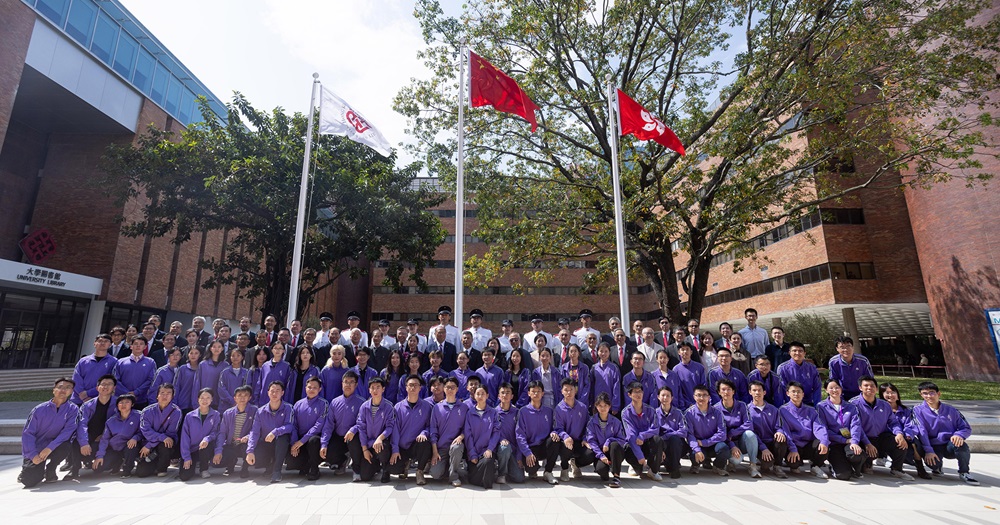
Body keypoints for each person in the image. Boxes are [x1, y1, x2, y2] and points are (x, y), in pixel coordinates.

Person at [912, 381, 979, 485]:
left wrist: (959, 435)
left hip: (949, 444)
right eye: (925, 393)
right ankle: (937, 467)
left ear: (939, 394)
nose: (929, 396)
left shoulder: (951, 410)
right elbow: (922, 431)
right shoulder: (917, 410)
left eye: (932, 392)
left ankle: (964, 472)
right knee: (933, 465)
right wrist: (929, 451)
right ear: (921, 395)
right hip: (932, 446)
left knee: (961, 445)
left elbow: (965, 427)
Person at [19, 378, 79, 487]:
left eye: (68, 388)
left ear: (72, 392)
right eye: (60, 387)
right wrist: (33, 455)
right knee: (29, 481)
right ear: (54, 390)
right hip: (36, 448)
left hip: (54, 446)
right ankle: (27, 469)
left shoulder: (73, 410)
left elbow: (67, 432)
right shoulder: (39, 409)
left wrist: (49, 448)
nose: (63, 390)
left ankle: (51, 469)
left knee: (66, 445)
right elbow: (28, 433)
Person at [850, 376, 912, 480]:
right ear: (860, 388)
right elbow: (856, 427)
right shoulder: (853, 404)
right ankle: (867, 464)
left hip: (880, 436)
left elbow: (893, 422)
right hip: (863, 438)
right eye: (866, 386)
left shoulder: (884, 405)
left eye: (872, 386)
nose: (869, 388)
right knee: (861, 456)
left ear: (876, 389)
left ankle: (897, 469)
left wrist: (899, 434)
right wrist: (867, 443)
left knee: (900, 443)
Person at [67, 374, 117, 480]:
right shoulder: (87, 405)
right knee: (76, 441)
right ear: (97, 388)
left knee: (99, 469)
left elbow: (118, 424)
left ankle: (114, 462)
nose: (105, 387)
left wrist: (103, 435)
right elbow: (82, 424)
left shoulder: (117, 404)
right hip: (89, 434)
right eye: (103, 384)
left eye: (109, 384)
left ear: (114, 388)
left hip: (108, 437)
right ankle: (75, 469)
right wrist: (84, 443)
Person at [879, 382, 932, 480]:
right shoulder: (881, 409)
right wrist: (898, 434)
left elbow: (911, 425)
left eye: (893, 392)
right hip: (888, 436)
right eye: (887, 393)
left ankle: (920, 467)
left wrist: (907, 435)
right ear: (882, 395)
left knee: (914, 444)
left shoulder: (906, 410)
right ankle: (899, 467)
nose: (890, 395)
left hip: (905, 436)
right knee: (900, 443)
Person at [816, 378, 866, 480]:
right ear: (826, 390)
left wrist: (854, 442)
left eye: (837, 387)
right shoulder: (821, 407)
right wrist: (843, 440)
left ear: (841, 389)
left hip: (850, 442)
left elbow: (856, 426)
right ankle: (836, 467)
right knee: (843, 475)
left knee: (857, 454)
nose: (834, 390)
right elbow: (823, 429)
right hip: (834, 443)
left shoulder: (850, 406)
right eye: (831, 388)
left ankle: (856, 469)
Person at [778, 381, 830, 478]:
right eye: (793, 391)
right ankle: (794, 464)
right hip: (793, 445)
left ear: (803, 394)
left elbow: (819, 427)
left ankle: (815, 466)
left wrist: (824, 441)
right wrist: (793, 449)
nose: (796, 394)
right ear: (787, 393)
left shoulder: (811, 410)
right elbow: (786, 431)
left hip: (808, 444)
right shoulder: (783, 410)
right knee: (794, 464)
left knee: (824, 444)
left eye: (798, 391)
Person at [348, 377, 395, 483]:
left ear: (383, 389)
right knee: (365, 477)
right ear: (369, 390)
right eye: (372, 388)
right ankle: (375, 465)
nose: (375, 390)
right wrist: (365, 449)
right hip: (369, 444)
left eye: (378, 387)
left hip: (382, 442)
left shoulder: (388, 406)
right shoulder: (364, 407)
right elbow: (361, 428)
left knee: (383, 448)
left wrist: (380, 438)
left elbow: (390, 427)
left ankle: (385, 469)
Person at [388, 375, 433, 485]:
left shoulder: (427, 406)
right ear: (406, 387)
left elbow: (430, 426)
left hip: (416, 444)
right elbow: (395, 430)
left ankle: (419, 471)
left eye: (416, 385)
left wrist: (424, 433)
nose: (413, 388)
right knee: (393, 469)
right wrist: (395, 450)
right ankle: (405, 465)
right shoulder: (398, 407)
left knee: (426, 443)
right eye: (410, 385)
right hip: (402, 446)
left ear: (420, 388)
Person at [246, 380, 294, 483]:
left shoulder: (288, 408)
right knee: (257, 452)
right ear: (268, 392)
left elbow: (289, 426)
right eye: (272, 391)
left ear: (282, 393)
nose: (274, 393)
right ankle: (269, 466)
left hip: (283, 443)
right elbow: (255, 432)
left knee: (282, 438)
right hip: (267, 443)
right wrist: (250, 451)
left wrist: (275, 432)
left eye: (277, 391)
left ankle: (277, 471)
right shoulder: (260, 411)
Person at [515, 380, 560, 485]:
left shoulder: (548, 411)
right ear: (529, 393)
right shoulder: (523, 411)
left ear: (543, 393)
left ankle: (548, 472)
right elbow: (520, 435)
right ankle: (533, 469)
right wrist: (527, 453)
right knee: (531, 470)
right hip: (530, 448)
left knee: (555, 440)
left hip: (544, 446)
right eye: (533, 391)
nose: (536, 394)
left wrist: (553, 432)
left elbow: (554, 427)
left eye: (538, 391)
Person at [320, 371, 365, 475]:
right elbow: (329, 424)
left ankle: (356, 468)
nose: (348, 385)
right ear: (342, 384)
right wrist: (324, 444)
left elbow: (363, 422)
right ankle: (342, 461)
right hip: (339, 437)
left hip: (355, 437)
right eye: (346, 382)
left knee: (354, 441)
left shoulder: (361, 403)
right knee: (328, 452)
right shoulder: (335, 402)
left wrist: (353, 430)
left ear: (356, 384)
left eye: (351, 382)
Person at [135, 383, 182, 478]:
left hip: (164, 443)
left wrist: (150, 445)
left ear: (172, 396)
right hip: (148, 442)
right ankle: (152, 464)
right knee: (141, 473)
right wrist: (151, 443)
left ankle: (162, 468)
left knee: (166, 442)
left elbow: (170, 433)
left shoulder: (176, 412)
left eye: (168, 393)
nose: (165, 396)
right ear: (157, 395)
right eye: (162, 393)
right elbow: (145, 430)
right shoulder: (147, 411)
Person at [714, 379, 759, 477]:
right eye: (723, 389)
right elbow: (720, 432)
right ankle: (730, 462)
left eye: (729, 389)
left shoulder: (742, 405)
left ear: (733, 391)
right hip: (727, 442)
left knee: (750, 434)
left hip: (742, 440)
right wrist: (732, 445)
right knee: (737, 460)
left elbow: (749, 424)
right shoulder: (716, 409)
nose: (726, 392)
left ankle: (753, 465)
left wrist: (733, 432)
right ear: (719, 392)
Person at [428, 377, 469, 486]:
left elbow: (468, 427)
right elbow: (433, 430)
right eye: (447, 387)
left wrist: (461, 436)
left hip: (456, 445)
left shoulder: (464, 407)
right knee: (435, 474)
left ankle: (453, 476)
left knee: (456, 447)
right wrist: (435, 452)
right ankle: (449, 466)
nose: (450, 390)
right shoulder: (437, 408)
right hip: (441, 447)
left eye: (453, 387)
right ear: (444, 389)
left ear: (457, 389)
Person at [554, 378, 595, 483]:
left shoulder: (582, 407)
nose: (569, 392)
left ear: (575, 390)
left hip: (580, 440)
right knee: (566, 447)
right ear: (562, 391)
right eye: (566, 390)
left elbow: (588, 426)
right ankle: (564, 468)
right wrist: (565, 436)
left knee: (590, 453)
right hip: (566, 441)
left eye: (571, 389)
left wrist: (586, 438)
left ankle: (576, 464)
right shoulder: (559, 409)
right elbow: (558, 428)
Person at [621, 381, 664, 481]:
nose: (638, 394)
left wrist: (642, 435)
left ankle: (653, 471)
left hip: (647, 443)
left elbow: (656, 429)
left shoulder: (650, 410)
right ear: (629, 395)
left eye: (640, 391)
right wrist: (640, 457)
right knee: (627, 447)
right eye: (635, 392)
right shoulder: (625, 412)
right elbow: (630, 435)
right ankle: (635, 465)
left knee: (657, 440)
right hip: (634, 444)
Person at [683, 384, 729, 476]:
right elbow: (690, 435)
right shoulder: (689, 413)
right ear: (694, 397)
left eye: (704, 395)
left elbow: (722, 434)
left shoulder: (717, 413)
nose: (701, 398)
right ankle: (695, 465)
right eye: (698, 395)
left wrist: (706, 442)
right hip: (699, 444)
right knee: (693, 452)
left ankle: (718, 466)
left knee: (724, 448)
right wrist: (697, 449)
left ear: (709, 397)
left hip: (713, 443)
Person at [288, 377, 328, 481]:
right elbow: (294, 425)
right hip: (300, 439)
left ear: (319, 389)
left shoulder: (323, 404)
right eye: (309, 387)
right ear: (305, 388)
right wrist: (294, 443)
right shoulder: (298, 404)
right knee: (293, 462)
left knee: (313, 441)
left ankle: (314, 469)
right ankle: (305, 465)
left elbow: (318, 426)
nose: (311, 389)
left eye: (315, 387)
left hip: (314, 439)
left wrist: (301, 441)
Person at [93, 394, 142, 477]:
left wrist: (135, 438)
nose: (123, 405)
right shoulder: (111, 421)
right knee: (97, 469)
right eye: (121, 403)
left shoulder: (139, 416)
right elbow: (105, 439)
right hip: (115, 448)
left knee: (131, 447)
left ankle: (127, 469)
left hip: (131, 445)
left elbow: (143, 432)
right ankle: (117, 462)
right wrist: (100, 456)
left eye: (127, 402)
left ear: (132, 404)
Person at [747, 380, 789, 478]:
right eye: (754, 390)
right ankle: (763, 462)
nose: (757, 393)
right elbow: (751, 432)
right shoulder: (747, 410)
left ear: (764, 392)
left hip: (771, 441)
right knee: (766, 464)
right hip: (758, 444)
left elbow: (778, 426)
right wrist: (763, 448)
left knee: (782, 438)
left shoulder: (773, 409)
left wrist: (779, 432)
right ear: (750, 392)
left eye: (759, 390)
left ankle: (778, 466)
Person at [215, 385, 256, 478]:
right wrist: (218, 450)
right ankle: (230, 465)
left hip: (244, 443)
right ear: (235, 398)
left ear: (250, 397)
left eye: (245, 395)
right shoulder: (227, 413)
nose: (242, 397)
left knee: (247, 447)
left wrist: (248, 436)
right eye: (239, 395)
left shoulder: (255, 411)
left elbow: (256, 429)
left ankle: (245, 468)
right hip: (231, 443)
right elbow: (222, 433)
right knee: (220, 457)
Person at [179, 388, 221, 481]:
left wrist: (207, 439)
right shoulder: (189, 416)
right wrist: (186, 457)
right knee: (184, 476)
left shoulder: (216, 415)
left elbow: (215, 432)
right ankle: (191, 463)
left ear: (212, 399)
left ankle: (204, 469)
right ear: (198, 399)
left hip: (207, 448)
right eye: (202, 398)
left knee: (205, 447)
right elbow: (185, 437)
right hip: (192, 449)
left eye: (208, 398)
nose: (205, 400)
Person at [587, 392, 627, 487]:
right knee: (602, 471)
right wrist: (601, 455)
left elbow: (622, 440)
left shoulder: (616, 422)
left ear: (609, 406)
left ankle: (616, 476)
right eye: (600, 405)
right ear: (596, 406)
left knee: (614, 444)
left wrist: (608, 441)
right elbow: (591, 441)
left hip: (615, 452)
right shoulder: (592, 422)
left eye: (605, 405)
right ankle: (606, 470)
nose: (603, 408)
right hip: (601, 453)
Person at [465, 384, 501, 489]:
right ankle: (478, 477)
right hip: (474, 452)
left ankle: (483, 480)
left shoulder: (493, 413)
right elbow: (468, 435)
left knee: (488, 461)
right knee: (474, 472)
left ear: (487, 396)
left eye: (483, 394)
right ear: (474, 396)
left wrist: (490, 449)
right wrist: (472, 454)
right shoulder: (469, 413)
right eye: (478, 394)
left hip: (487, 450)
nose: (480, 396)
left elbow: (496, 432)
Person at [71, 333, 117, 405]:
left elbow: (111, 381)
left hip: (100, 400)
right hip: (78, 399)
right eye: (100, 341)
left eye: (106, 341)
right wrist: (83, 395)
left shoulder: (114, 362)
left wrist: (89, 393)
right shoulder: (83, 361)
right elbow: (76, 378)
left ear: (110, 344)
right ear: (94, 343)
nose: (102, 343)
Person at [114, 335, 156, 409]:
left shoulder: (150, 362)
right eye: (136, 344)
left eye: (141, 344)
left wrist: (136, 392)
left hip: (141, 400)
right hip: (122, 399)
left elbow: (151, 380)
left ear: (145, 347)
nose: (138, 346)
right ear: (131, 346)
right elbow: (115, 380)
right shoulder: (121, 362)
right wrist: (127, 393)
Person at [654, 386, 688, 479]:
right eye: (663, 395)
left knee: (674, 439)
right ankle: (666, 463)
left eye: (668, 396)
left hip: (676, 444)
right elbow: (654, 432)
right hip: (662, 444)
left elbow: (684, 432)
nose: (665, 398)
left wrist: (668, 435)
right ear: (658, 397)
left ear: (672, 398)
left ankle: (675, 469)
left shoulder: (678, 413)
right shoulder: (654, 413)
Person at [828, 336, 874, 401]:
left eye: (848, 346)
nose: (846, 350)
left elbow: (870, 379)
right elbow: (833, 381)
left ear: (853, 347)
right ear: (837, 349)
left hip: (861, 394)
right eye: (842, 347)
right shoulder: (833, 362)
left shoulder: (863, 361)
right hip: (843, 395)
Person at [495, 383, 524, 484]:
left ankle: (508, 467)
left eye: (508, 393)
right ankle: (501, 474)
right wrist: (501, 439)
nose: (505, 395)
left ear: (512, 396)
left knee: (519, 478)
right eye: (502, 393)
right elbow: (492, 432)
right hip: (498, 448)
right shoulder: (494, 413)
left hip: (513, 450)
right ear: (498, 396)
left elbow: (521, 435)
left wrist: (519, 457)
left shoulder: (517, 412)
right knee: (504, 448)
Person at [776, 341, 822, 406]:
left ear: (804, 353)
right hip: (790, 404)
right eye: (794, 351)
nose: (797, 353)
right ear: (789, 353)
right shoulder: (782, 368)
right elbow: (782, 389)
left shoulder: (812, 368)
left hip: (808, 402)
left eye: (800, 351)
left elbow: (817, 387)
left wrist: (817, 406)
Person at [591, 342, 622, 414]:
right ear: (597, 352)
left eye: (606, 351)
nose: (603, 353)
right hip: (597, 403)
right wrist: (592, 404)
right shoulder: (594, 368)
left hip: (610, 403)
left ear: (609, 352)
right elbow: (591, 387)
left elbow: (616, 387)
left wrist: (615, 405)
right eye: (601, 351)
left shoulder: (614, 368)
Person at [673, 343, 705, 410]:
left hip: (701, 403)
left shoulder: (699, 367)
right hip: (685, 406)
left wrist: (700, 400)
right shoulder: (676, 370)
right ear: (679, 352)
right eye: (683, 350)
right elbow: (678, 390)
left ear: (691, 352)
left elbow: (704, 385)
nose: (685, 351)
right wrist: (687, 403)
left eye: (687, 349)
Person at [218, 348, 249, 412]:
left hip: (242, 404)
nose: (235, 358)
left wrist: (239, 400)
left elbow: (247, 388)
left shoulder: (246, 372)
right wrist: (232, 401)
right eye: (233, 356)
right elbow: (221, 388)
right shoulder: (225, 372)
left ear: (242, 357)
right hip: (226, 405)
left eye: (238, 355)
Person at [174, 345, 201, 414]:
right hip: (182, 403)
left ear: (200, 355)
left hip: (197, 405)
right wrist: (175, 402)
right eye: (191, 353)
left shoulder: (202, 369)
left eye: (196, 353)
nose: (193, 355)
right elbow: (176, 386)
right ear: (188, 354)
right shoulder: (182, 369)